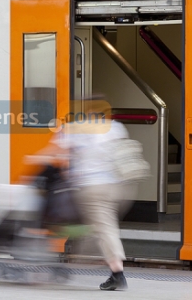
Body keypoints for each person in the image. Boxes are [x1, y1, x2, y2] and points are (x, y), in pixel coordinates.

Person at [50, 99, 138, 291]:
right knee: (100, 226)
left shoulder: (76, 129)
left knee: (104, 228)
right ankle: (82, 257)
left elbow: (58, 152)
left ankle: (117, 274)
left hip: (92, 188)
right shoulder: (116, 128)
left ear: (88, 111)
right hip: (118, 187)